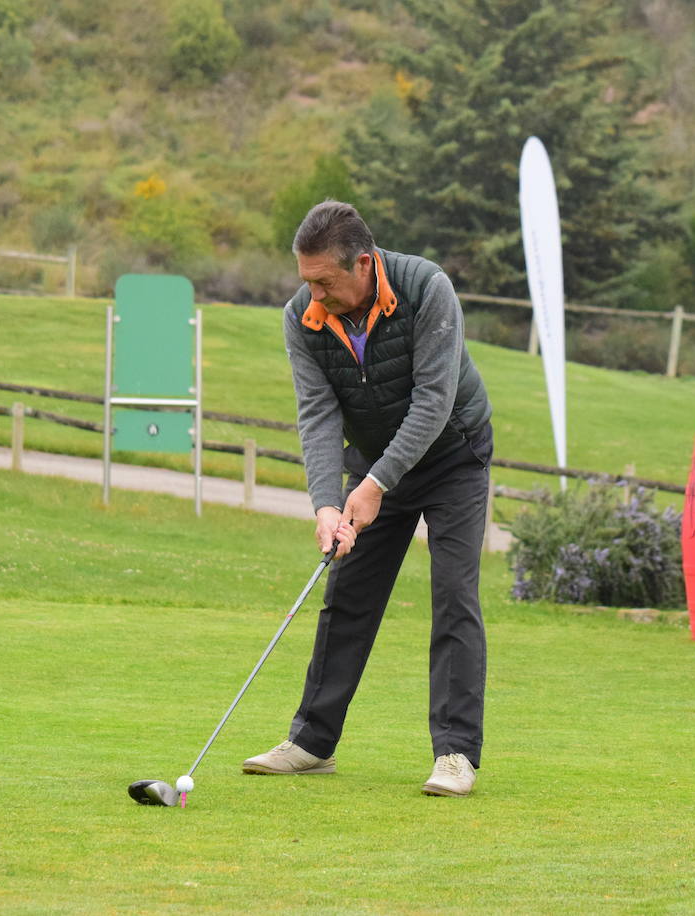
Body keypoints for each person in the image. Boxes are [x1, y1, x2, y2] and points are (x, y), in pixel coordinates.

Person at [242, 200, 494, 796]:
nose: (314, 295)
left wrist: (377, 485)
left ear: (362, 263)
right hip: (373, 460)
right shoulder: (302, 317)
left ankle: (456, 753)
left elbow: (434, 400)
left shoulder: (427, 288)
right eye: (306, 282)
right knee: (347, 593)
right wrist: (328, 502)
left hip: (453, 454)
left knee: (454, 593)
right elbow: (318, 413)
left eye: (324, 282)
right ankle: (311, 742)